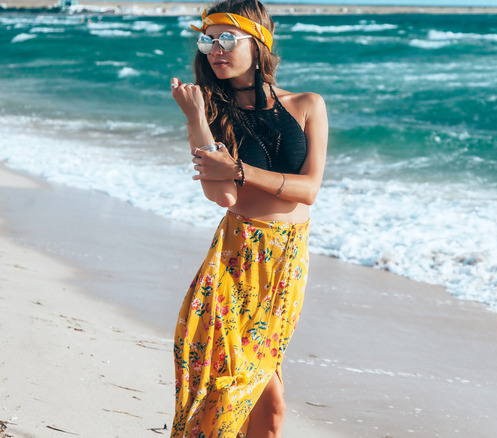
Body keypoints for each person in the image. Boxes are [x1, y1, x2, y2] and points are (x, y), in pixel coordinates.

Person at [169, 0, 328, 436]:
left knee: (266, 405)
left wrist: (241, 170)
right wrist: (196, 119)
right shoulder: (214, 113)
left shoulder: (307, 105)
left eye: (226, 39)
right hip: (238, 261)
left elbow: (309, 190)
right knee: (240, 394)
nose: (215, 50)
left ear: (258, 44)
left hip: (287, 265)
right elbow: (221, 195)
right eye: (207, 40)